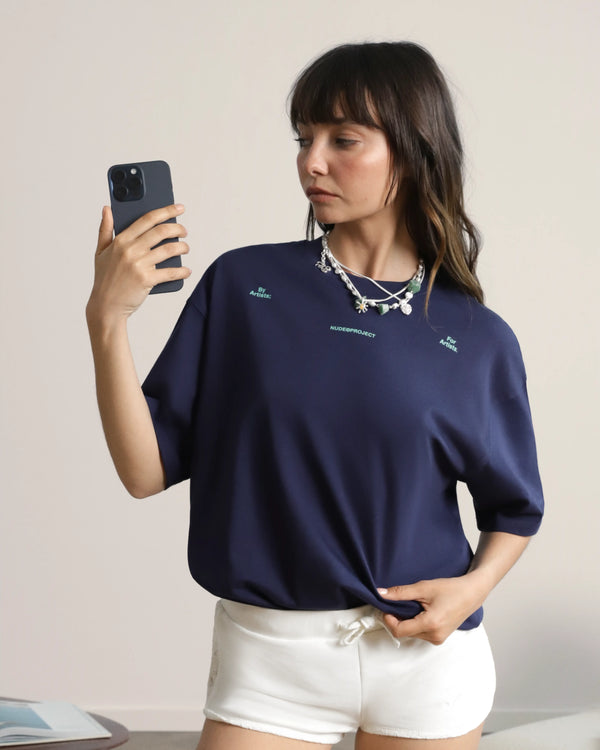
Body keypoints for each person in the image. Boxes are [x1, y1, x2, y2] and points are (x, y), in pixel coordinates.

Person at [86, 41, 544, 750]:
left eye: (342, 140)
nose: (312, 162)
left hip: (426, 661)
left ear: (412, 151)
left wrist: (473, 588)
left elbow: (513, 509)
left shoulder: (479, 336)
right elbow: (145, 472)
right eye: (304, 139)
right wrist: (107, 320)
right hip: (271, 659)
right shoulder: (244, 288)